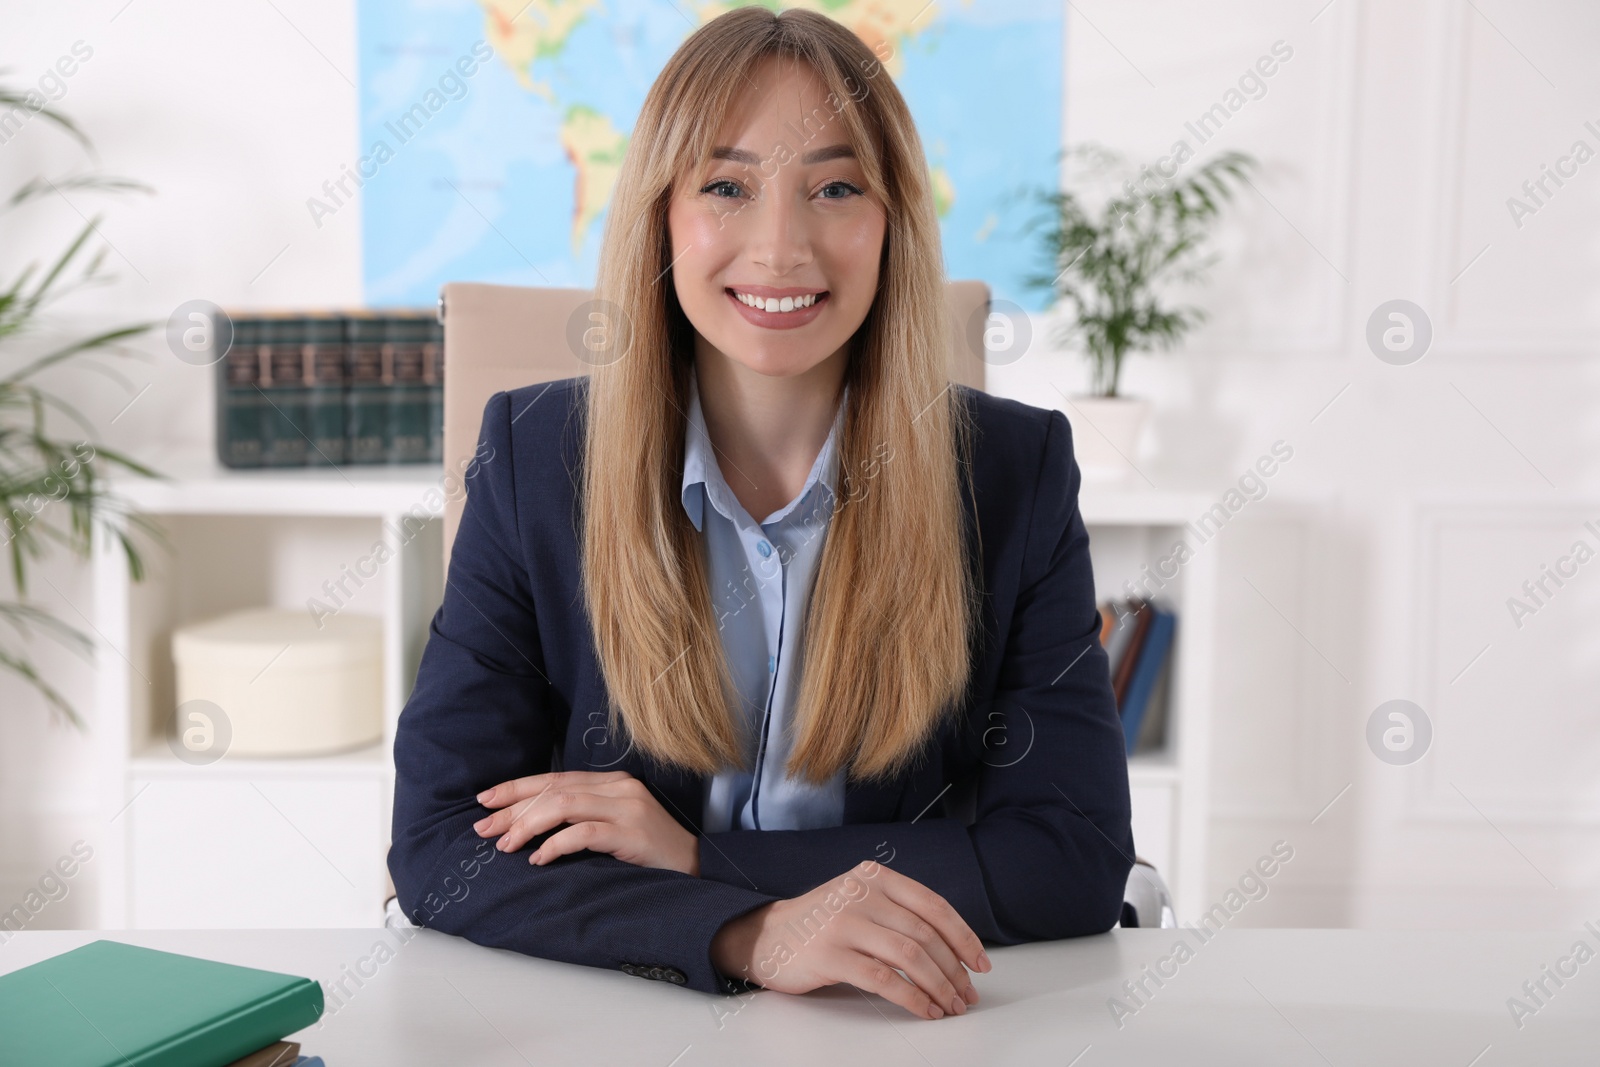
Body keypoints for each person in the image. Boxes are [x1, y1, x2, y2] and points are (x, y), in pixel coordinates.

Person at [388, 6, 1133, 1022]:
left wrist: (704, 855)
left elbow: (1073, 858)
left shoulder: (1012, 468)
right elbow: (438, 845)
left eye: (834, 187)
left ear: (891, 222)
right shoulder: (533, 456)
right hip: (611, 1022)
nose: (780, 246)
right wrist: (747, 928)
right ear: (661, 216)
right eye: (726, 187)